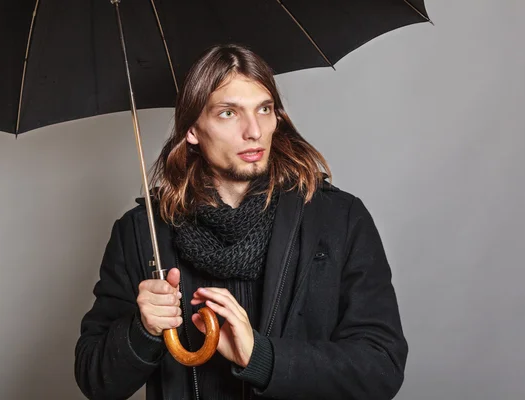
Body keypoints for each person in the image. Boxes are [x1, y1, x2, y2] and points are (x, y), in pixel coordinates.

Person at [74, 43, 408, 400]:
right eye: (228, 113)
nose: (254, 131)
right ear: (192, 130)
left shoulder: (338, 219)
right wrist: (142, 330)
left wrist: (261, 358)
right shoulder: (142, 232)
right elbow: (96, 381)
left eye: (264, 109)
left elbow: (382, 368)